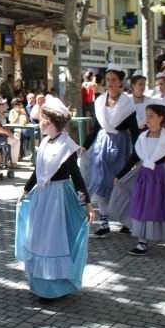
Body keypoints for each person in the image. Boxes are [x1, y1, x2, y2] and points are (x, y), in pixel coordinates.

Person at [16, 96, 95, 302]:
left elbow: (76, 175)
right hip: (43, 198)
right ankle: (39, 283)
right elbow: (38, 170)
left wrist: (86, 202)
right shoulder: (44, 142)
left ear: (49, 121)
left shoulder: (66, 146)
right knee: (39, 238)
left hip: (58, 198)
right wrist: (26, 189)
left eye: (42, 118)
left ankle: (54, 286)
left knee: (54, 240)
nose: (40, 122)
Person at [106, 103, 165, 255]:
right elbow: (134, 158)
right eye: (147, 116)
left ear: (161, 118)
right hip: (144, 176)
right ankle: (142, 242)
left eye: (151, 116)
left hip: (162, 176)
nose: (148, 119)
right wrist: (120, 175)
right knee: (142, 206)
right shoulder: (142, 138)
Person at [81, 67, 141, 238]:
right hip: (101, 144)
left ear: (121, 82)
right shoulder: (100, 101)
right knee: (100, 183)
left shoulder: (128, 104)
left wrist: (137, 154)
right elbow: (95, 127)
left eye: (114, 79)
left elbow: (135, 132)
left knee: (118, 184)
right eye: (108, 80)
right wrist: (85, 146)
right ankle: (104, 223)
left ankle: (126, 220)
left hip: (120, 146)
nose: (111, 83)